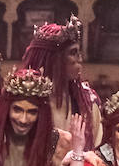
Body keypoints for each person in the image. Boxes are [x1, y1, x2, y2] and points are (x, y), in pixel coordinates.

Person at [19, 15, 102, 150]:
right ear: (53, 59)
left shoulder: (87, 102)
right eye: (73, 53)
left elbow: (97, 150)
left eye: (79, 52)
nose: (80, 59)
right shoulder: (21, 99)